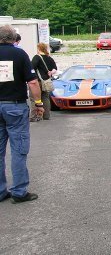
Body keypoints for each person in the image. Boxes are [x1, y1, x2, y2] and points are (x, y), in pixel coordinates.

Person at [0, 24, 43, 204]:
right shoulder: (19, 54)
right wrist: (38, 104)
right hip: (15, 107)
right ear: (13, 38)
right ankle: (19, 191)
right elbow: (33, 82)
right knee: (19, 150)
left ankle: (1, 191)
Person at [30, 43, 57, 121]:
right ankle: (46, 115)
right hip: (46, 81)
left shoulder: (37, 57)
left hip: (37, 81)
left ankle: (34, 116)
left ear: (39, 48)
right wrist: (51, 72)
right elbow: (55, 68)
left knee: (34, 99)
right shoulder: (49, 57)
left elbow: (32, 68)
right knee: (45, 98)